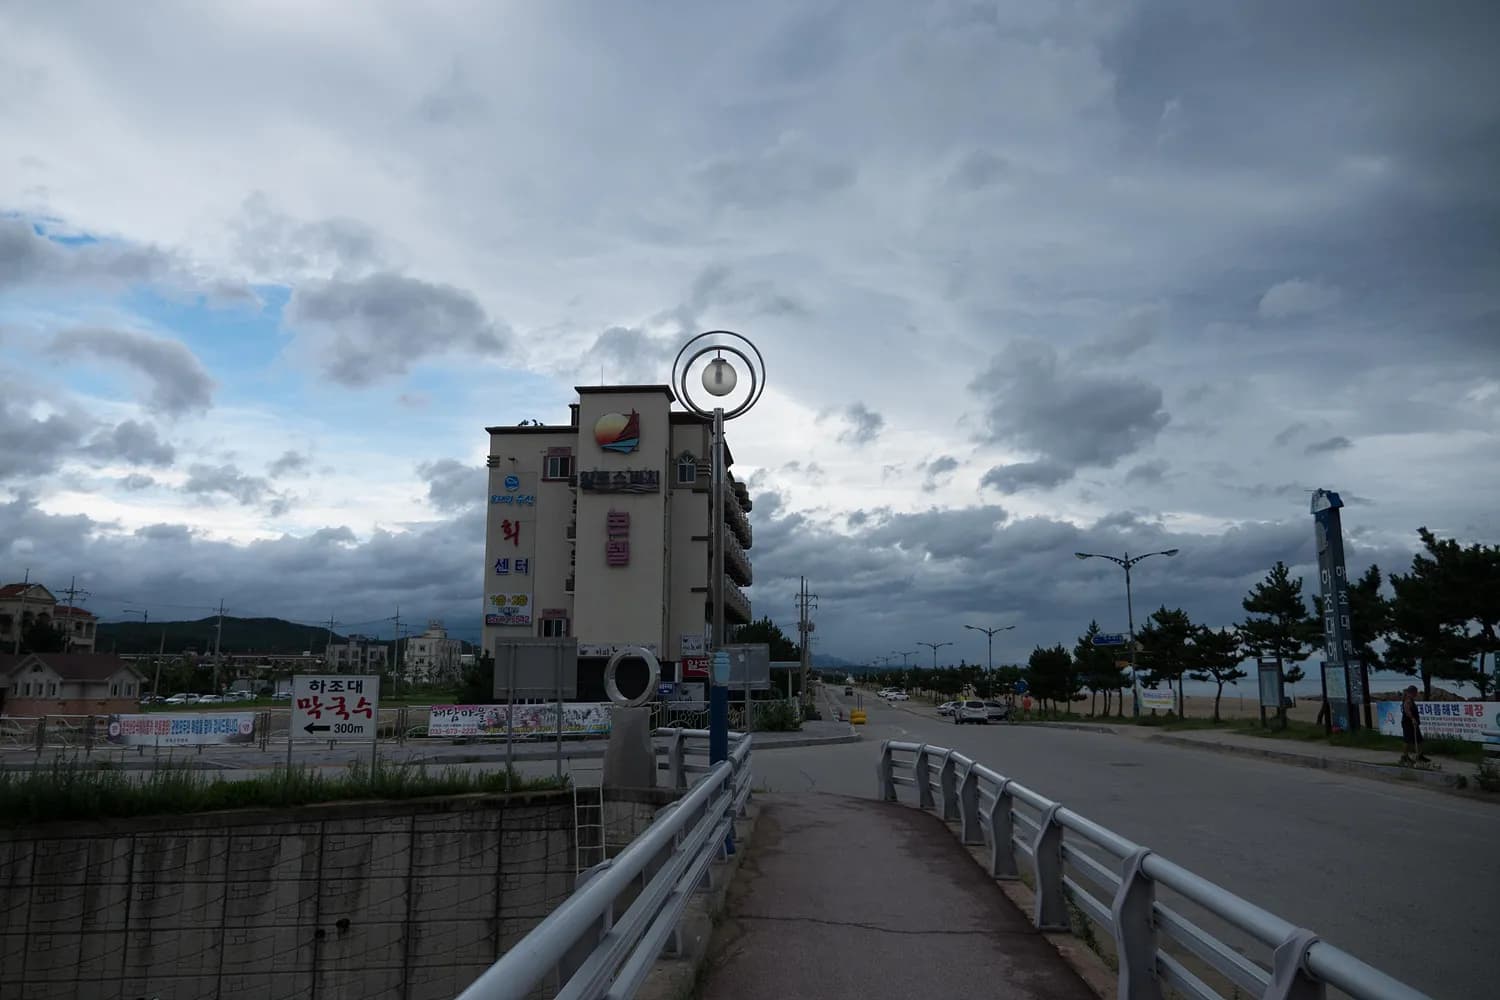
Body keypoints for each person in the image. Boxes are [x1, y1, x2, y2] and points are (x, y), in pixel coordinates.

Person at [1400, 685, 1429, 764]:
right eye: (1416, 692)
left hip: (1414, 724)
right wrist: (1412, 718)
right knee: (1407, 741)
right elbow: (1407, 710)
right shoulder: (1408, 700)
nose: (1416, 694)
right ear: (1412, 692)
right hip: (1408, 723)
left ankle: (1420, 755)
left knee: (1420, 740)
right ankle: (1404, 757)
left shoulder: (1411, 700)